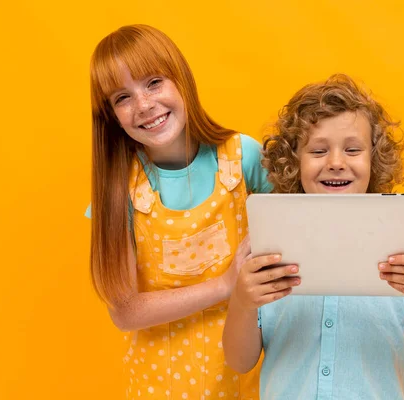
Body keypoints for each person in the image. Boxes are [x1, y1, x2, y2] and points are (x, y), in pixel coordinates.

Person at [222, 74, 404, 400]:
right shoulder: (271, 239)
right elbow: (240, 362)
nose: (336, 163)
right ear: (294, 160)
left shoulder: (402, 238)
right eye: (318, 150)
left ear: (374, 158)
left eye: (353, 149)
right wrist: (241, 299)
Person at [87, 24, 272, 399]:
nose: (144, 105)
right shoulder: (118, 188)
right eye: (122, 97)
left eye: (154, 82)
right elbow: (124, 311)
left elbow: (306, 233)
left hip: (247, 379)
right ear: (111, 117)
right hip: (157, 387)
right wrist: (225, 284)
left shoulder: (243, 157)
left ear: (182, 80)